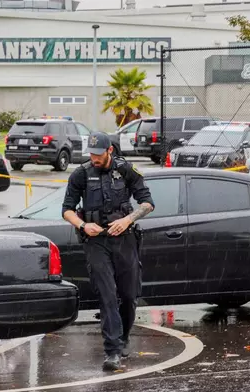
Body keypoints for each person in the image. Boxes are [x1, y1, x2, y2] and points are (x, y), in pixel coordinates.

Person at [61, 131, 154, 371]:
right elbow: (67, 210)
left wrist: (128, 220)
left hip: (124, 240)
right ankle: (112, 351)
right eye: (91, 154)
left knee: (129, 295)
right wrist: (83, 225)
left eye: (98, 154)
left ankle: (122, 339)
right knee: (107, 295)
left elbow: (147, 203)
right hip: (96, 242)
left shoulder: (126, 170)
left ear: (109, 151)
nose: (94, 158)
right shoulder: (81, 173)